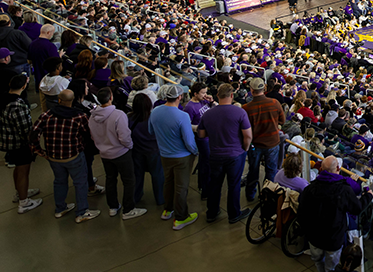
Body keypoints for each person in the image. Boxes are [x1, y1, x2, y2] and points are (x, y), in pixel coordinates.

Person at [30, 89, 99, 222]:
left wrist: (40, 151)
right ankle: (82, 212)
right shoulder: (79, 116)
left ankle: (60, 208)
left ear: (59, 100)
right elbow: (89, 134)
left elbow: (33, 135)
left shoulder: (46, 115)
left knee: (59, 181)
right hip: (74, 156)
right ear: (72, 101)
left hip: (53, 157)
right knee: (80, 182)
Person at [87, 86, 146, 220]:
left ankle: (113, 207)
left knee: (110, 179)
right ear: (111, 98)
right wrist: (130, 146)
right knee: (129, 180)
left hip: (104, 154)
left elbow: (92, 136)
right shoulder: (118, 115)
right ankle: (128, 209)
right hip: (121, 153)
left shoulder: (92, 116)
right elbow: (124, 137)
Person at [299, 155, 362, 272]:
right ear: (338, 168)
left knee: (317, 260)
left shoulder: (309, 189)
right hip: (333, 239)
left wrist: (306, 230)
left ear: (321, 169)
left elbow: (301, 213)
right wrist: (368, 196)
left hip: (314, 237)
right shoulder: (344, 190)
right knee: (331, 267)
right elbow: (356, 208)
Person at [197, 82, 252, 224]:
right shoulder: (240, 112)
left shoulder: (208, 114)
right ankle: (234, 214)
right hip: (235, 154)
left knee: (214, 184)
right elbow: (248, 136)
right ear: (232, 95)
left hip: (215, 154)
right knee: (233, 185)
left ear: (217, 95)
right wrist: (245, 148)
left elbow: (201, 135)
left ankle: (212, 212)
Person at [149, 83, 199, 230]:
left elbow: (151, 131)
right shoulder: (182, 116)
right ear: (180, 97)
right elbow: (189, 141)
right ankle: (181, 217)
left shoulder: (155, 111)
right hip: (182, 156)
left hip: (164, 154)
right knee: (181, 187)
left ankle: (167, 209)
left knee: (169, 182)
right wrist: (195, 151)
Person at [0, 73, 42, 213]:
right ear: (24, 86)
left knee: (18, 169)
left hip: (8, 141)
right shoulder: (17, 104)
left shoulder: (2, 100)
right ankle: (24, 202)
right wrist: (33, 142)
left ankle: (20, 192)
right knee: (23, 171)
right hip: (19, 143)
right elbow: (24, 128)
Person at [243, 77, 285, 201]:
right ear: (264, 88)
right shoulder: (275, 103)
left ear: (251, 90)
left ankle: (250, 195)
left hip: (255, 144)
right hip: (272, 143)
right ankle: (267, 197)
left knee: (253, 170)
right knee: (271, 171)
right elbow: (282, 120)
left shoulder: (246, 108)